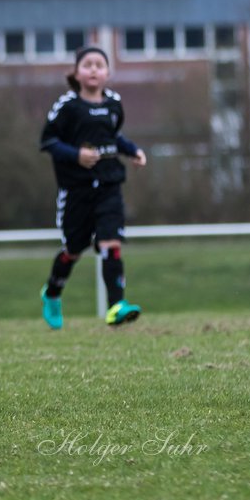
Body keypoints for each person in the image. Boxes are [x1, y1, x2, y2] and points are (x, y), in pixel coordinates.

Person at [37, 46, 147, 330]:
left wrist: (133, 151)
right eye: (88, 64)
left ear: (108, 73)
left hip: (109, 185)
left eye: (100, 64)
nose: (94, 69)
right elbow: (48, 141)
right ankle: (52, 293)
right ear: (77, 73)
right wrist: (77, 155)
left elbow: (114, 136)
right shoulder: (67, 106)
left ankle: (116, 306)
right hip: (76, 190)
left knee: (111, 243)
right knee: (73, 250)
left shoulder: (113, 104)